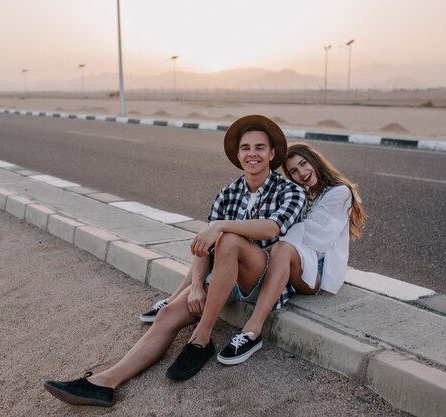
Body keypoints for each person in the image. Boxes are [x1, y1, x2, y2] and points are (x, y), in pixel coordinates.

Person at [43, 115, 305, 407]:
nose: (252, 154)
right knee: (167, 315)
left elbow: (273, 227)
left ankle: (201, 337)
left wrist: (221, 227)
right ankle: (104, 382)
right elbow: (204, 249)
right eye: (245, 148)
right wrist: (194, 286)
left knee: (229, 239)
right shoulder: (228, 193)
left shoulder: (289, 190)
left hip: (263, 277)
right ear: (238, 155)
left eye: (259, 147)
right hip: (223, 278)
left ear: (271, 154)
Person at [142, 142, 367, 365]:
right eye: (294, 171)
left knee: (279, 247)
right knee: (219, 244)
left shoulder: (340, 192)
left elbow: (313, 237)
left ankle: (252, 329)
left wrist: (262, 238)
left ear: (315, 162)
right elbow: (288, 227)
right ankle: (172, 300)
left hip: (315, 271)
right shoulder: (301, 192)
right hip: (294, 259)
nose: (302, 173)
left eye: (304, 164)